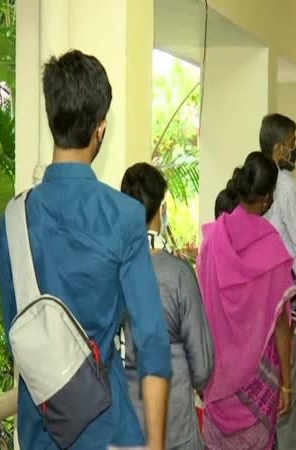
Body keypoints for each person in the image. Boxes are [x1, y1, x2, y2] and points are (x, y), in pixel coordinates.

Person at [0, 50, 171, 449]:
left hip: (40, 428)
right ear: (100, 128)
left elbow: (18, 333)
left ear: (51, 117)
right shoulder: (125, 216)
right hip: (105, 429)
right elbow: (153, 343)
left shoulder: (13, 221)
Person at [197, 152, 296, 450]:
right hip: (259, 382)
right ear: (266, 198)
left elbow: (202, 304)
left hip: (216, 378)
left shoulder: (212, 239)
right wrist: (286, 385)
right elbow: (281, 326)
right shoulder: (272, 246)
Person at [121, 163, 215, 450]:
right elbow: (202, 368)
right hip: (173, 433)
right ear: (160, 211)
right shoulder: (178, 275)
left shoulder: (104, 272)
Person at [259, 113, 296, 450]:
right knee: (291, 368)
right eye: (291, 144)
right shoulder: (285, 184)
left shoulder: (254, 177)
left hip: (259, 295)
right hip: (286, 287)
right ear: (279, 148)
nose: (294, 149)